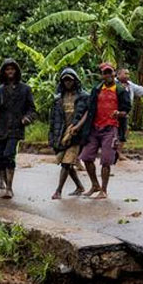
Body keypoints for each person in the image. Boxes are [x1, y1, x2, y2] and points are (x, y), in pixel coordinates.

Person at [0, 58, 37, 200]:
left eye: (12, 69)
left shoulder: (25, 89)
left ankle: (9, 187)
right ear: (4, 72)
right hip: (0, 127)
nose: (10, 72)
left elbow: (32, 110)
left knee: (9, 155)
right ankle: (2, 181)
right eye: (7, 69)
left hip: (16, 128)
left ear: (16, 71)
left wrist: (26, 119)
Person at [80, 63, 131, 200]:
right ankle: (95, 185)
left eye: (110, 72)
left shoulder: (120, 90)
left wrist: (118, 113)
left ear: (114, 74)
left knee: (106, 161)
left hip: (111, 128)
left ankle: (104, 190)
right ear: (102, 75)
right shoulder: (96, 89)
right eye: (105, 73)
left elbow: (126, 110)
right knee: (86, 157)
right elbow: (89, 109)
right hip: (94, 128)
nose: (108, 75)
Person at [48, 68, 88, 200]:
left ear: (75, 81)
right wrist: (52, 137)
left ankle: (58, 191)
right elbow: (53, 120)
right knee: (67, 163)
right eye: (65, 80)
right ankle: (80, 187)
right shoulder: (58, 99)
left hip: (76, 134)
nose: (68, 82)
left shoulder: (83, 97)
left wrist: (78, 127)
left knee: (66, 163)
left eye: (70, 80)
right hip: (61, 134)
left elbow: (88, 114)